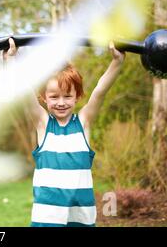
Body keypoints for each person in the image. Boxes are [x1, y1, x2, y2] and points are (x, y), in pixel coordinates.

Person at [20, 42, 125, 227]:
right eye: (54, 97)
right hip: (48, 218)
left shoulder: (83, 122)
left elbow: (100, 92)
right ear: (44, 98)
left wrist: (116, 62)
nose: (61, 102)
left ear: (77, 96)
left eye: (67, 96)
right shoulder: (43, 124)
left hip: (81, 216)